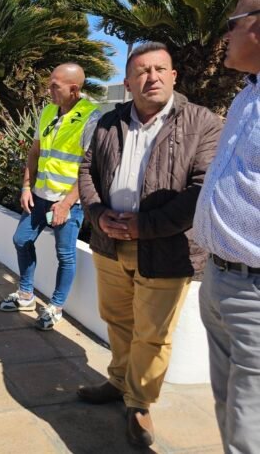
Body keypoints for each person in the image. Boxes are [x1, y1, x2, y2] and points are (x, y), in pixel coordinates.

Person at [77, 42, 222, 448]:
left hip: (166, 250)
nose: (151, 77)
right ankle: (118, 381)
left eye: (160, 69)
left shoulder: (202, 122)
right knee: (117, 320)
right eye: (141, 71)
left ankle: (139, 402)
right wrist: (98, 214)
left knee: (152, 334)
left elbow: (202, 188)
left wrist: (145, 226)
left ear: (174, 76)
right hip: (109, 243)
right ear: (128, 82)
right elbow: (87, 170)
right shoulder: (108, 121)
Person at [193, 0, 260, 454]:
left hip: (254, 293)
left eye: (231, 24)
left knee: (249, 425)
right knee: (228, 406)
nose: (224, 36)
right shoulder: (245, 97)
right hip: (218, 279)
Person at [0, 63, 100, 330]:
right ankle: (26, 295)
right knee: (21, 240)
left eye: (55, 86)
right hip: (40, 196)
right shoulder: (48, 111)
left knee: (65, 254)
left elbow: (90, 168)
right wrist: (26, 187)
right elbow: (34, 152)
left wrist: (66, 204)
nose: (48, 90)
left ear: (74, 89)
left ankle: (56, 306)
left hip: (68, 202)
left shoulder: (91, 117)